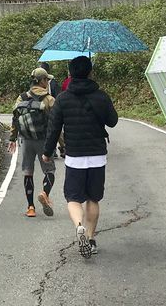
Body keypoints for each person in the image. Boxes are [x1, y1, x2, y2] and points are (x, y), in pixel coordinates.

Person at [42, 55, 118, 258]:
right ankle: (91, 239)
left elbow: (54, 128)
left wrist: (47, 153)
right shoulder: (101, 96)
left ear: (70, 73)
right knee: (93, 198)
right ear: (90, 72)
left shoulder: (63, 99)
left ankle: (79, 226)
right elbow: (113, 121)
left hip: (75, 156)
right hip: (97, 155)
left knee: (73, 198)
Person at [8, 67, 57, 218]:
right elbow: (56, 123)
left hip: (26, 140)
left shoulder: (21, 97)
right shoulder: (49, 99)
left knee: (28, 172)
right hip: (43, 140)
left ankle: (30, 208)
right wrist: (62, 144)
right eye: (46, 80)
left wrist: (12, 138)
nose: (48, 82)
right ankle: (44, 193)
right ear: (42, 81)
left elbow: (15, 118)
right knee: (49, 170)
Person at [38, 62, 66, 158]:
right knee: (52, 130)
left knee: (54, 130)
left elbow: (57, 96)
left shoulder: (51, 82)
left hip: (50, 108)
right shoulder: (49, 82)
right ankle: (58, 148)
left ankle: (58, 148)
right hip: (45, 109)